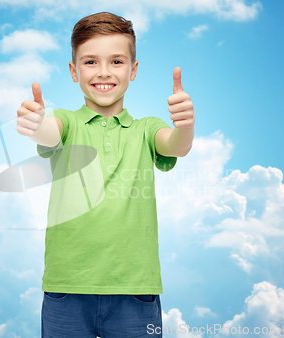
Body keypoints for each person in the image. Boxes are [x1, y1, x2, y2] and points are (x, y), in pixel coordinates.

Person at [16, 11, 195, 338]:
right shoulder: (67, 123)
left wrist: (185, 126)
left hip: (135, 290)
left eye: (116, 61)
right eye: (90, 62)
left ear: (133, 70)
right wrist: (35, 126)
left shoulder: (146, 128)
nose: (103, 72)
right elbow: (49, 134)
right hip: (66, 288)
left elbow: (176, 146)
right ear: (73, 71)